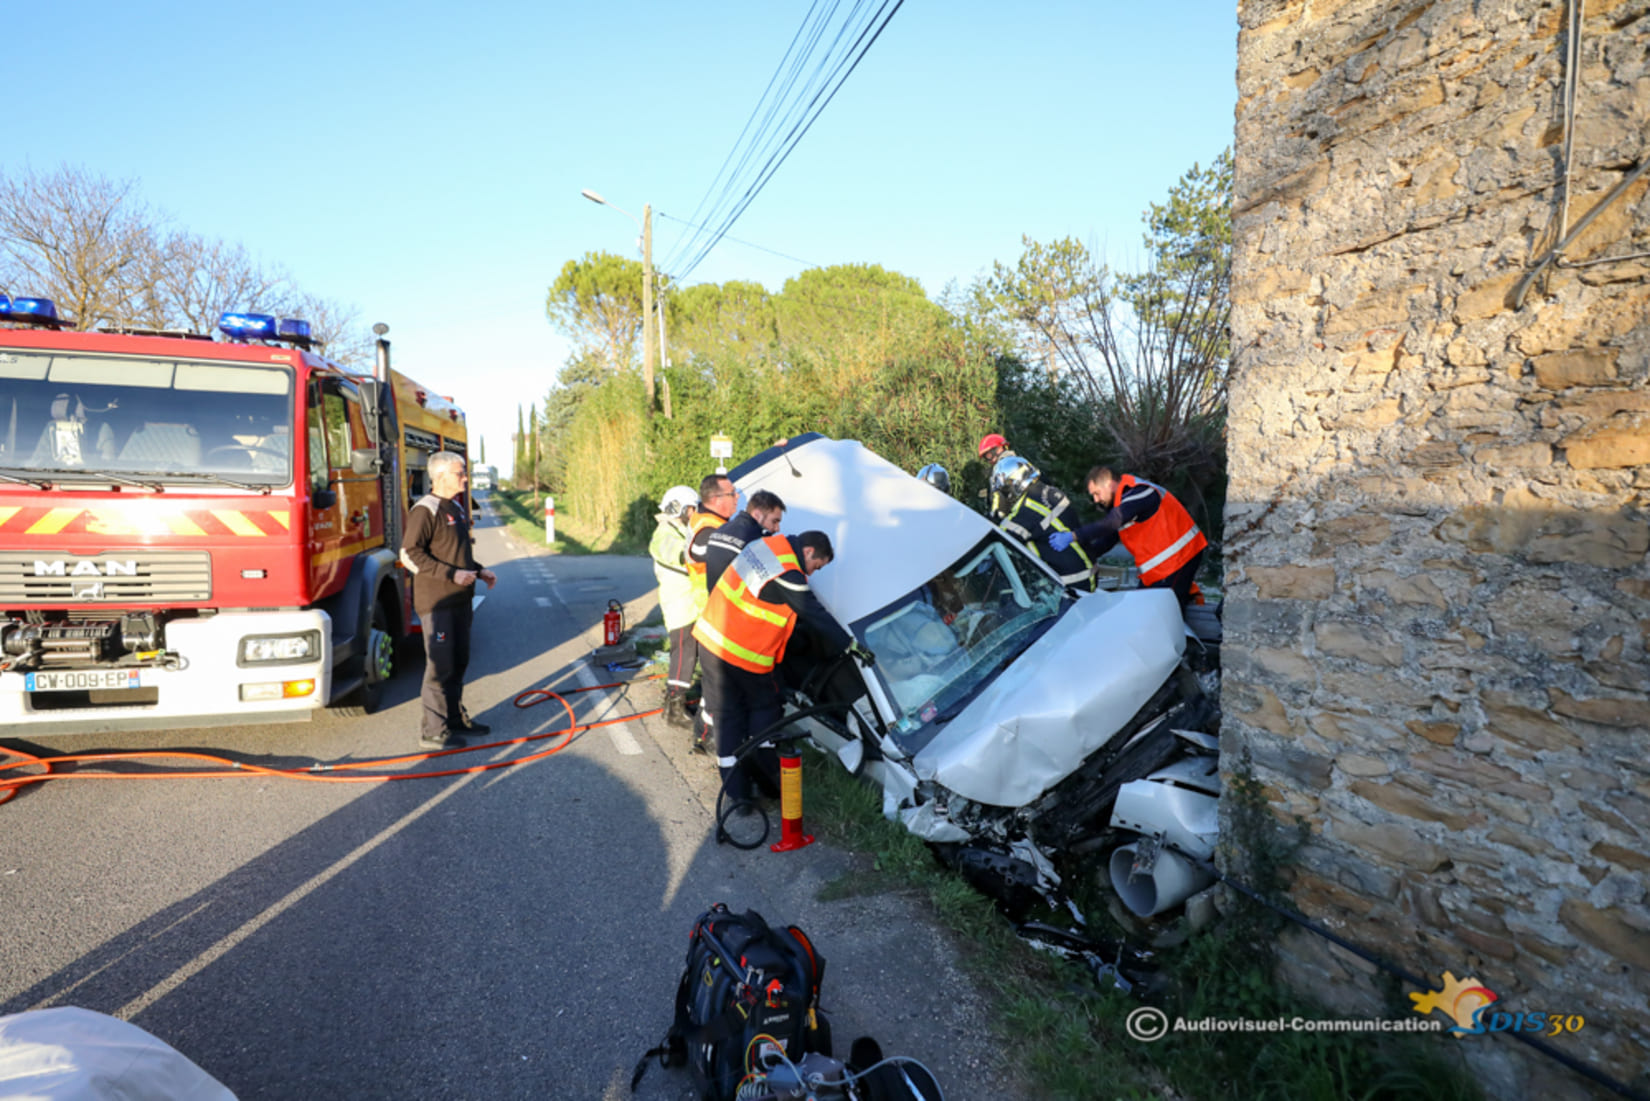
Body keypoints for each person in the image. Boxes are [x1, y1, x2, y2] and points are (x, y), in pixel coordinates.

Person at [692, 530, 851, 813]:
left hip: (712, 639)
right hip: (742, 654)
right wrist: (849, 645)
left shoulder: (767, 546)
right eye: (817, 566)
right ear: (810, 552)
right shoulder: (788, 573)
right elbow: (814, 614)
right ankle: (767, 778)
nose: (813, 574)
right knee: (765, 711)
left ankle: (737, 795)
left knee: (727, 719)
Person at [399, 450, 497, 750]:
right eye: (460, 473)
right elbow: (409, 554)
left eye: (464, 472)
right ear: (439, 476)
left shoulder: (455, 506)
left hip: (460, 600)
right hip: (437, 603)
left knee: (458, 662)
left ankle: (454, 719)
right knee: (440, 666)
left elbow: (456, 553)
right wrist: (451, 575)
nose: (465, 477)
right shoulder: (424, 510)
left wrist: (479, 571)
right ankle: (432, 731)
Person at [1076, 466, 1207, 609]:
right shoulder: (1124, 502)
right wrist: (1085, 556)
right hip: (1161, 567)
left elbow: (1111, 523)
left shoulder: (1139, 493)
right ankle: (1187, 596)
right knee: (1143, 610)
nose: (1095, 500)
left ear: (1110, 484)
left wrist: (1074, 536)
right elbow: (1109, 538)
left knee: (1164, 612)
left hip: (1180, 557)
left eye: (1097, 493)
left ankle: (1185, 602)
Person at [990, 455, 1096, 592]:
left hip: (1070, 583)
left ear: (1014, 485)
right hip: (1086, 571)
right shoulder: (1046, 491)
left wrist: (997, 513)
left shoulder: (1028, 508)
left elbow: (1001, 539)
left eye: (1004, 490)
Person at [649, 485, 702, 730]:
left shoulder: (679, 529)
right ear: (677, 508)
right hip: (680, 605)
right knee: (683, 655)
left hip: (690, 603)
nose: (694, 514)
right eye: (691, 509)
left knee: (689, 654)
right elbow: (678, 554)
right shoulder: (664, 533)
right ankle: (674, 709)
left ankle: (678, 702)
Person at [703, 489, 785, 593]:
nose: (777, 529)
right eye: (774, 521)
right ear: (757, 515)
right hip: (735, 605)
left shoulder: (722, 529)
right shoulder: (755, 542)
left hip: (715, 603)